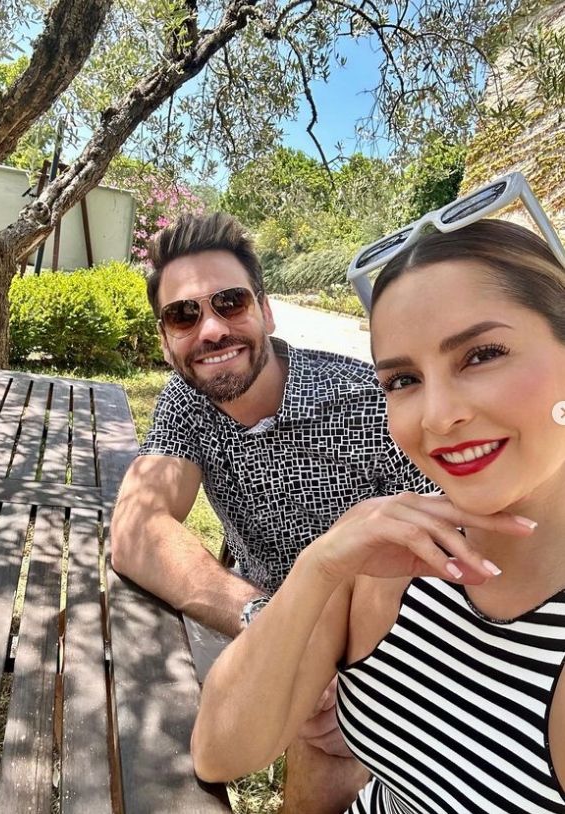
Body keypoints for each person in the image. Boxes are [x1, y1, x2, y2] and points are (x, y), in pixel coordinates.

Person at [191, 214, 565, 814]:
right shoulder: (385, 555)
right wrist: (318, 567)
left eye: (481, 355)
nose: (437, 415)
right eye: (403, 379)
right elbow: (219, 753)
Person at [111, 211, 433, 814]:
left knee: (331, 736)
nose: (211, 330)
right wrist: (265, 618)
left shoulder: (365, 403)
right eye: (183, 316)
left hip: (384, 635)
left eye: (230, 303)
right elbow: (135, 530)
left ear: (265, 310)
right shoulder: (190, 400)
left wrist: (357, 673)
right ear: (164, 339)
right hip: (277, 622)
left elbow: (448, 546)